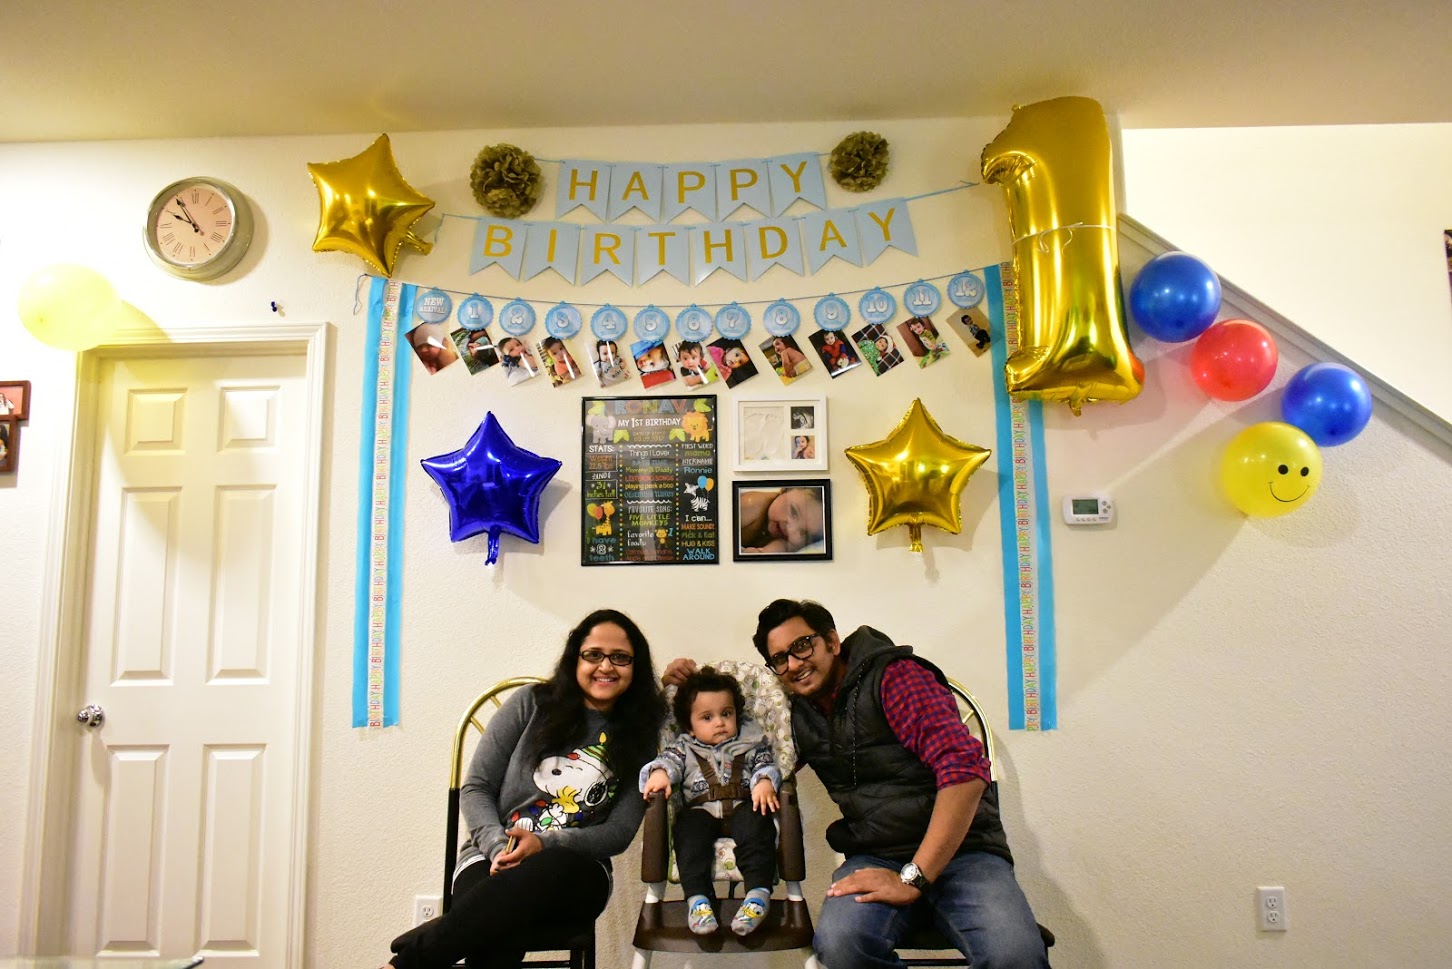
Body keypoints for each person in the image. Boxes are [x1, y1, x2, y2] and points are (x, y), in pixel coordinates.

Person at [663, 600, 1049, 969]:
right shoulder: (799, 710)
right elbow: (732, 743)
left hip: (965, 853)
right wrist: (678, 688)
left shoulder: (895, 678)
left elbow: (964, 773)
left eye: (802, 646)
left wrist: (914, 876)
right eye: (779, 659)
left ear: (832, 641)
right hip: (875, 855)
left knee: (1014, 955)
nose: (794, 664)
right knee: (839, 946)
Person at [382, 609, 667, 969]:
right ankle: (441, 938)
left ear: (635, 667)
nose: (606, 666)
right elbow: (477, 787)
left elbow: (619, 833)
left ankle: (413, 958)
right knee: (496, 932)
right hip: (492, 857)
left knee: (525, 885)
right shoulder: (531, 703)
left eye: (620, 657)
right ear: (575, 658)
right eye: (593, 654)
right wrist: (499, 847)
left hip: (576, 871)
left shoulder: (641, 734)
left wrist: (545, 843)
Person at [640, 667, 781, 937]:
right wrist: (660, 773)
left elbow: (765, 765)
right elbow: (667, 761)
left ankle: (757, 894)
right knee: (687, 831)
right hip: (701, 811)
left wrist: (764, 781)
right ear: (689, 727)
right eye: (707, 717)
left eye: (726, 713)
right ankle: (698, 900)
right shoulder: (683, 747)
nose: (719, 722)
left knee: (758, 824)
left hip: (743, 806)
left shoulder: (751, 744)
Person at [737, 487, 825, 554]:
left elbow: (781, 547)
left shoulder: (786, 540)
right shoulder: (752, 505)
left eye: (804, 533)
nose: (791, 529)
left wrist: (765, 551)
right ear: (785, 490)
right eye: (794, 512)